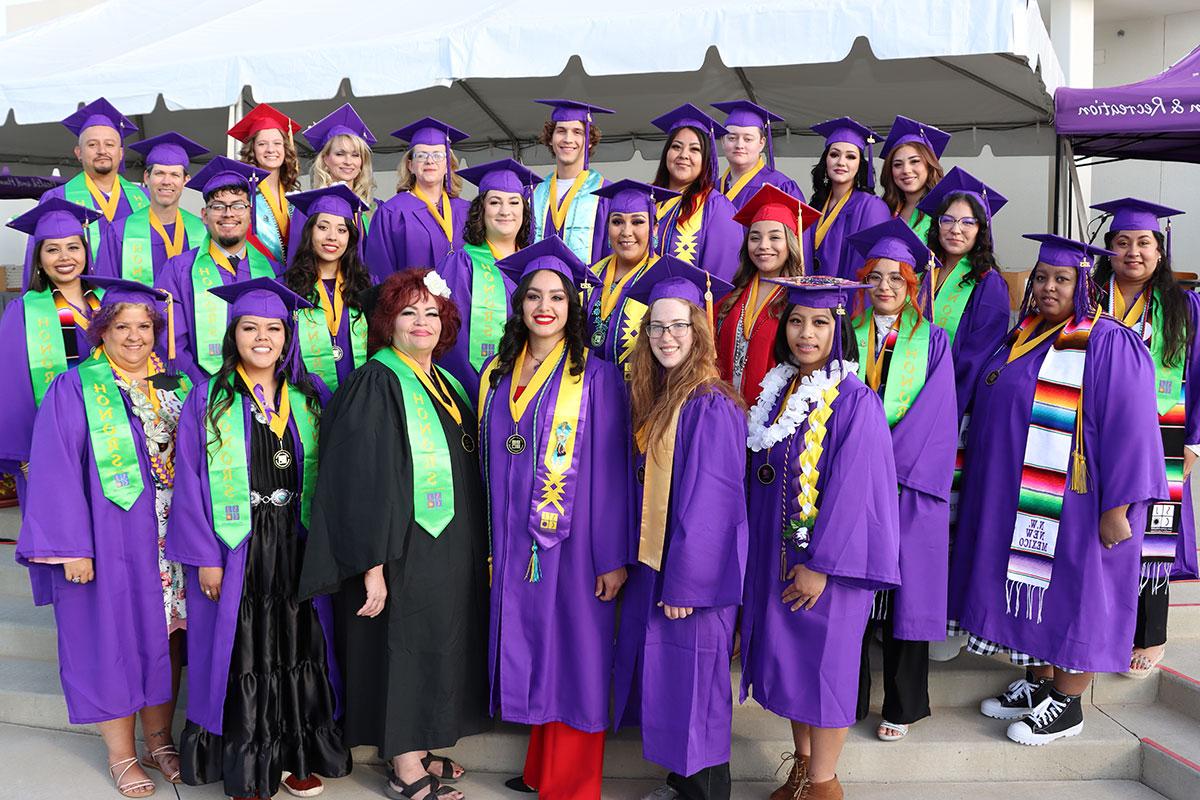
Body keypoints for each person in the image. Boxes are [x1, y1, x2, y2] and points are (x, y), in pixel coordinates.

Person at [950, 234, 1167, 745]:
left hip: (1080, 500)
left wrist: (1119, 508)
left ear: (1084, 284)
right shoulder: (1024, 334)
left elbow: (1132, 429)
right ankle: (1040, 684)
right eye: (1042, 277)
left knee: (1075, 592)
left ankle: (1069, 704)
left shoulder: (1107, 340)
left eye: (1062, 279)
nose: (1049, 287)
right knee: (1037, 588)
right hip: (1022, 496)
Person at [298, 268, 490, 800]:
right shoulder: (375, 382)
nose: (422, 322)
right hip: (399, 550)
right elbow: (361, 480)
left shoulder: (445, 380)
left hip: (443, 547)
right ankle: (403, 761)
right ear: (388, 324)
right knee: (401, 645)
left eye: (431, 312)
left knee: (434, 642)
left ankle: (421, 741)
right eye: (408, 312)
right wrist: (373, 565)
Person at [166, 278, 350, 800]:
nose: (262, 337)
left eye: (274, 328)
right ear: (234, 334)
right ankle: (251, 767)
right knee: (246, 650)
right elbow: (192, 482)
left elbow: (335, 471)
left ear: (289, 336)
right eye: (250, 327)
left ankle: (298, 755)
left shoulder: (312, 393)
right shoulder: (209, 397)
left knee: (301, 644)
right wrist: (205, 557)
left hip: (297, 539)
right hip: (237, 545)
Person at [15, 277, 191, 799]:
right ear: (102, 332)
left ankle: (160, 739)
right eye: (122, 327)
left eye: (144, 326)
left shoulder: (178, 384)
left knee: (168, 639)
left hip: (169, 538)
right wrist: (71, 546)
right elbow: (54, 467)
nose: (134, 336)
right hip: (108, 537)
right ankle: (121, 754)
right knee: (112, 640)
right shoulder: (76, 387)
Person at [479, 237, 633, 800]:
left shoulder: (597, 377)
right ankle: (543, 768)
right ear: (520, 306)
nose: (545, 307)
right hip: (517, 544)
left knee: (574, 656)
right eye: (534, 297)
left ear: (574, 309)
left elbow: (616, 473)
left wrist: (613, 556)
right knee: (544, 655)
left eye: (557, 298)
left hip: (576, 546)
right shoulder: (498, 373)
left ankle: (571, 785)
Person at [741, 275, 900, 800]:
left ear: (839, 329)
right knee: (794, 672)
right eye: (795, 320)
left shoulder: (854, 400)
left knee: (826, 673)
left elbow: (856, 491)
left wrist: (823, 564)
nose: (805, 333)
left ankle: (826, 783)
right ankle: (804, 768)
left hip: (827, 568)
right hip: (780, 560)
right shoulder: (779, 389)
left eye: (819, 323)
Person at [611, 258, 744, 800]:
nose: (667, 337)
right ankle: (680, 779)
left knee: (697, 686)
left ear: (700, 329)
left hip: (693, 580)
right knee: (674, 682)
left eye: (678, 325)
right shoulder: (665, 395)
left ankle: (706, 791)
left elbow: (712, 504)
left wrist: (686, 584)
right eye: (657, 327)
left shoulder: (709, 403)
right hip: (659, 568)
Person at [845, 220, 957, 742]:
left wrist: (882, 463)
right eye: (875, 276)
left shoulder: (932, 341)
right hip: (849, 483)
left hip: (908, 487)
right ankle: (847, 697)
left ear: (913, 284)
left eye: (896, 277)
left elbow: (937, 416)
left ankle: (904, 704)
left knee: (906, 601)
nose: (885, 286)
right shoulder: (845, 333)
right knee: (851, 596)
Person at [1091, 198, 1200, 677]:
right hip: (1096, 434)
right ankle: (1101, 626)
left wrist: (1193, 444)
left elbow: (1198, 375)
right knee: (1102, 532)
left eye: (1144, 243)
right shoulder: (1090, 297)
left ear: (1160, 251)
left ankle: (1149, 636)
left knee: (1153, 533)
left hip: (1162, 433)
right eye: (1122, 243)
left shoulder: (1183, 304)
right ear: (1108, 250)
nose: (1133, 252)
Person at [0, 200, 103, 506]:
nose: (64, 258)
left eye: (73, 247)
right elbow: (11, 391)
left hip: (108, 441)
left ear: (86, 251)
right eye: (52, 249)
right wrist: (27, 457)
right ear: (39, 258)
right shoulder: (24, 312)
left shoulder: (109, 305)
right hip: (48, 448)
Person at [156, 157, 281, 383]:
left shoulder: (273, 272)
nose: (228, 214)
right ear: (204, 215)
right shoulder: (179, 269)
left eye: (238, 206)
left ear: (250, 214)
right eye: (217, 206)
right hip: (199, 391)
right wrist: (204, 389)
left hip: (260, 391)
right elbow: (170, 340)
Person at [436, 158, 541, 397]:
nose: (505, 211)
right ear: (481, 210)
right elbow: (454, 341)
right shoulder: (461, 265)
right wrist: (479, 390)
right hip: (475, 389)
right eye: (495, 202)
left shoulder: (535, 266)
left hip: (530, 389)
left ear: (524, 211)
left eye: (514, 202)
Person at [915, 167, 1012, 419]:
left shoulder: (988, 284)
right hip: (907, 389)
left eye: (967, 222)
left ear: (981, 229)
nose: (955, 229)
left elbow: (977, 356)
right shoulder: (922, 274)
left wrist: (941, 400)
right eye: (947, 220)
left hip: (951, 400)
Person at [715, 184, 819, 407]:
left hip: (775, 419)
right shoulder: (730, 299)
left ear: (791, 243)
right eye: (755, 238)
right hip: (725, 413)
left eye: (774, 238)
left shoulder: (801, 301)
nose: (763, 246)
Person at [28, 97, 148, 277]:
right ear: (79, 153)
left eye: (110, 144)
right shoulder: (57, 199)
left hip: (134, 302)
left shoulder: (145, 199)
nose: (102, 150)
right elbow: (36, 259)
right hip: (79, 300)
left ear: (121, 153)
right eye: (92, 144)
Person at [283, 183, 374, 392]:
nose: (332, 236)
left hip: (359, 401)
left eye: (341, 230)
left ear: (350, 237)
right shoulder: (288, 288)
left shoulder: (367, 285)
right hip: (305, 401)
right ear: (309, 232)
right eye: (323, 227)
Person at [580, 180, 674, 374]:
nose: (626, 232)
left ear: (654, 229)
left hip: (644, 393)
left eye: (638, 222)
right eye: (617, 222)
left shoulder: (665, 280)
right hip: (587, 393)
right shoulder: (590, 275)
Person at [95, 132, 209, 284]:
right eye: (159, 173)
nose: (166, 181)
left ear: (185, 180)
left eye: (175, 175)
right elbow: (105, 289)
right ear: (147, 177)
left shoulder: (203, 231)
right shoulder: (119, 232)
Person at [365, 117, 470, 280]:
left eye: (438, 155)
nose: (430, 161)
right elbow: (379, 271)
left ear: (448, 165)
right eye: (421, 155)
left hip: (461, 303)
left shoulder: (466, 211)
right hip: (410, 304)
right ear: (410, 165)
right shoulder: (392, 212)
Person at [649, 103, 743, 282]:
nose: (683, 155)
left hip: (690, 307)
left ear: (706, 158)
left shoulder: (716, 207)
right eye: (676, 147)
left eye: (694, 149)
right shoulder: (647, 198)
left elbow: (721, 275)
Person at [531, 99, 614, 264]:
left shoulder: (606, 194)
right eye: (561, 131)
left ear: (589, 141)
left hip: (588, 288)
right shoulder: (533, 193)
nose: (568, 139)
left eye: (577, 132)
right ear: (550, 139)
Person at [290, 103, 378, 257]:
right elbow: (296, 261)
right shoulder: (307, 208)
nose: (348, 161)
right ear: (325, 159)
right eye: (340, 154)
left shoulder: (370, 208)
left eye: (355, 155)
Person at [807, 117, 890, 280]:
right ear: (826, 160)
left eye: (850, 157)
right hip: (811, 299)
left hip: (845, 300)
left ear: (860, 164)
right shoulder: (816, 204)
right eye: (834, 155)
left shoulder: (871, 207)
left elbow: (868, 267)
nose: (841, 162)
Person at [227, 103, 303, 263]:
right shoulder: (242, 195)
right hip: (257, 275)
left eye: (277, 143)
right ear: (252, 149)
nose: (270, 149)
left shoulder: (295, 195)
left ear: (285, 148)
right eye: (262, 144)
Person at [710, 100, 805, 208]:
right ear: (722, 141)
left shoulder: (780, 187)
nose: (739, 145)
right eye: (732, 138)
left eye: (748, 139)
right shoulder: (713, 189)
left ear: (761, 143)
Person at [877, 116, 950, 242]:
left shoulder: (945, 209)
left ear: (929, 165)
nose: (906, 170)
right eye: (897, 165)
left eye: (915, 161)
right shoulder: (886, 210)